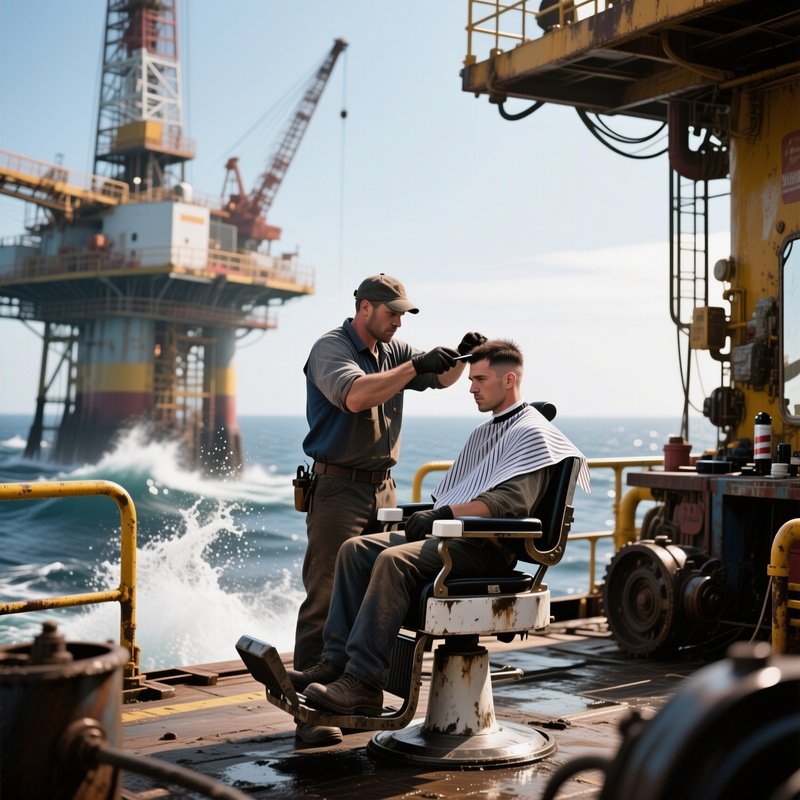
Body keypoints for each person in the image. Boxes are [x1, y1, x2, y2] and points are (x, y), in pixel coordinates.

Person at [289, 339, 590, 720]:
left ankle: (364, 684)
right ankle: (336, 663)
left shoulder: (532, 433)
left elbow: (509, 506)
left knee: (394, 561)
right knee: (354, 550)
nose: (471, 387)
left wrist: (444, 513)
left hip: (487, 547)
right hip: (457, 536)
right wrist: (439, 515)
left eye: (480, 379)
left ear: (509, 380)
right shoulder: (492, 430)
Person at [293, 272, 486, 744]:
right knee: (325, 595)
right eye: (392, 312)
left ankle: (358, 694)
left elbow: (436, 378)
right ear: (365, 308)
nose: (399, 321)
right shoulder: (331, 348)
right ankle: (309, 718)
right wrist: (414, 364)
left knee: (374, 587)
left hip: (383, 487)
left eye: (404, 314)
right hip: (337, 488)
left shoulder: (394, 351)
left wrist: (460, 358)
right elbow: (356, 396)